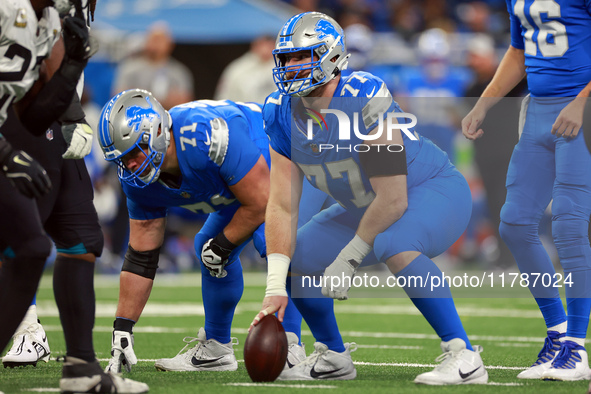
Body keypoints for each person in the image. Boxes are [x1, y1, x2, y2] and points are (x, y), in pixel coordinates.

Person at [251, 11, 488, 385]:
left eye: (303, 56)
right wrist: (274, 287)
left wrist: (350, 255)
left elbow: (393, 199)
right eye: (288, 58)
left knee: (394, 241)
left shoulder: (362, 97)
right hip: (365, 206)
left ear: (331, 57)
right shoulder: (280, 113)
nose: (292, 66)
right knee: (299, 257)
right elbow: (282, 204)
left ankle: (463, 355)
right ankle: (333, 355)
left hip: (431, 190)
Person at [97, 89, 306, 373]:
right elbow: (141, 256)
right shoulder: (137, 182)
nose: (131, 164)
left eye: (135, 150)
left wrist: (223, 244)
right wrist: (123, 328)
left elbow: (262, 203)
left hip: (268, 148)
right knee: (208, 248)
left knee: (271, 240)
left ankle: (290, 345)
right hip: (235, 181)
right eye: (122, 158)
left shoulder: (202, 137)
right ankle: (216, 348)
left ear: (158, 131)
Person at [0, 1, 148, 392]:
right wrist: (6, 152)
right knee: (23, 247)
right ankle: (31, 331)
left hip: (36, 135)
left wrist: (71, 83)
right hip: (10, 140)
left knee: (82, 237)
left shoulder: (49, 16)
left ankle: (81, 366)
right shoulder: (10, 11)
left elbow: (36, 108)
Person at [462, 0, 591, 381]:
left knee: (570, 226)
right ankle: (558, 332)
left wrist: (582, 101)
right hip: (537, 110)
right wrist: (484, 103)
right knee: (514, 223)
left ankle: (577, 348)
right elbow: (519, 51)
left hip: (580, 108)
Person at [112, 22, 193, 110]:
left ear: (170, 44)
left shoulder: (178, 72)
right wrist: (163, 100)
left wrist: (141, 97)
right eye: (154, 39)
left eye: (160, 40)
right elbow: (119, 98)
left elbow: (184, 103)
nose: (156, 44)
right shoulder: (129, 68)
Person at [214, 35, 277, 104]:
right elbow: (223, 96)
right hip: (243, 111)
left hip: (273, 112)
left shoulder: (282, 66)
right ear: (254, 46)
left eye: (269, 45)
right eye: (262, 44)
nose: (265, 49)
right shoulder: (238, 68)